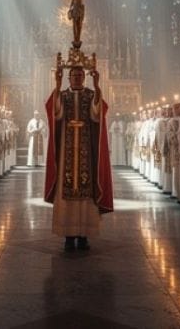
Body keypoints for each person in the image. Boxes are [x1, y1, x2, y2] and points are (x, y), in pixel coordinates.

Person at [44, 65, 113, 250]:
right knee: (65, 189)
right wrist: (57, 86)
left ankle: (84, 234)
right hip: (66, 148)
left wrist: (98, 86)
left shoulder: (91, 95)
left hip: (85, 151)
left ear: (84, 77)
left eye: (80, 75)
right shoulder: (64, 95)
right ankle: (68, 234)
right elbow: (55, 113)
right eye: (73, 75)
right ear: (68, 78)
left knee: (86, 191)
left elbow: (97, 115)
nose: (76, 78)